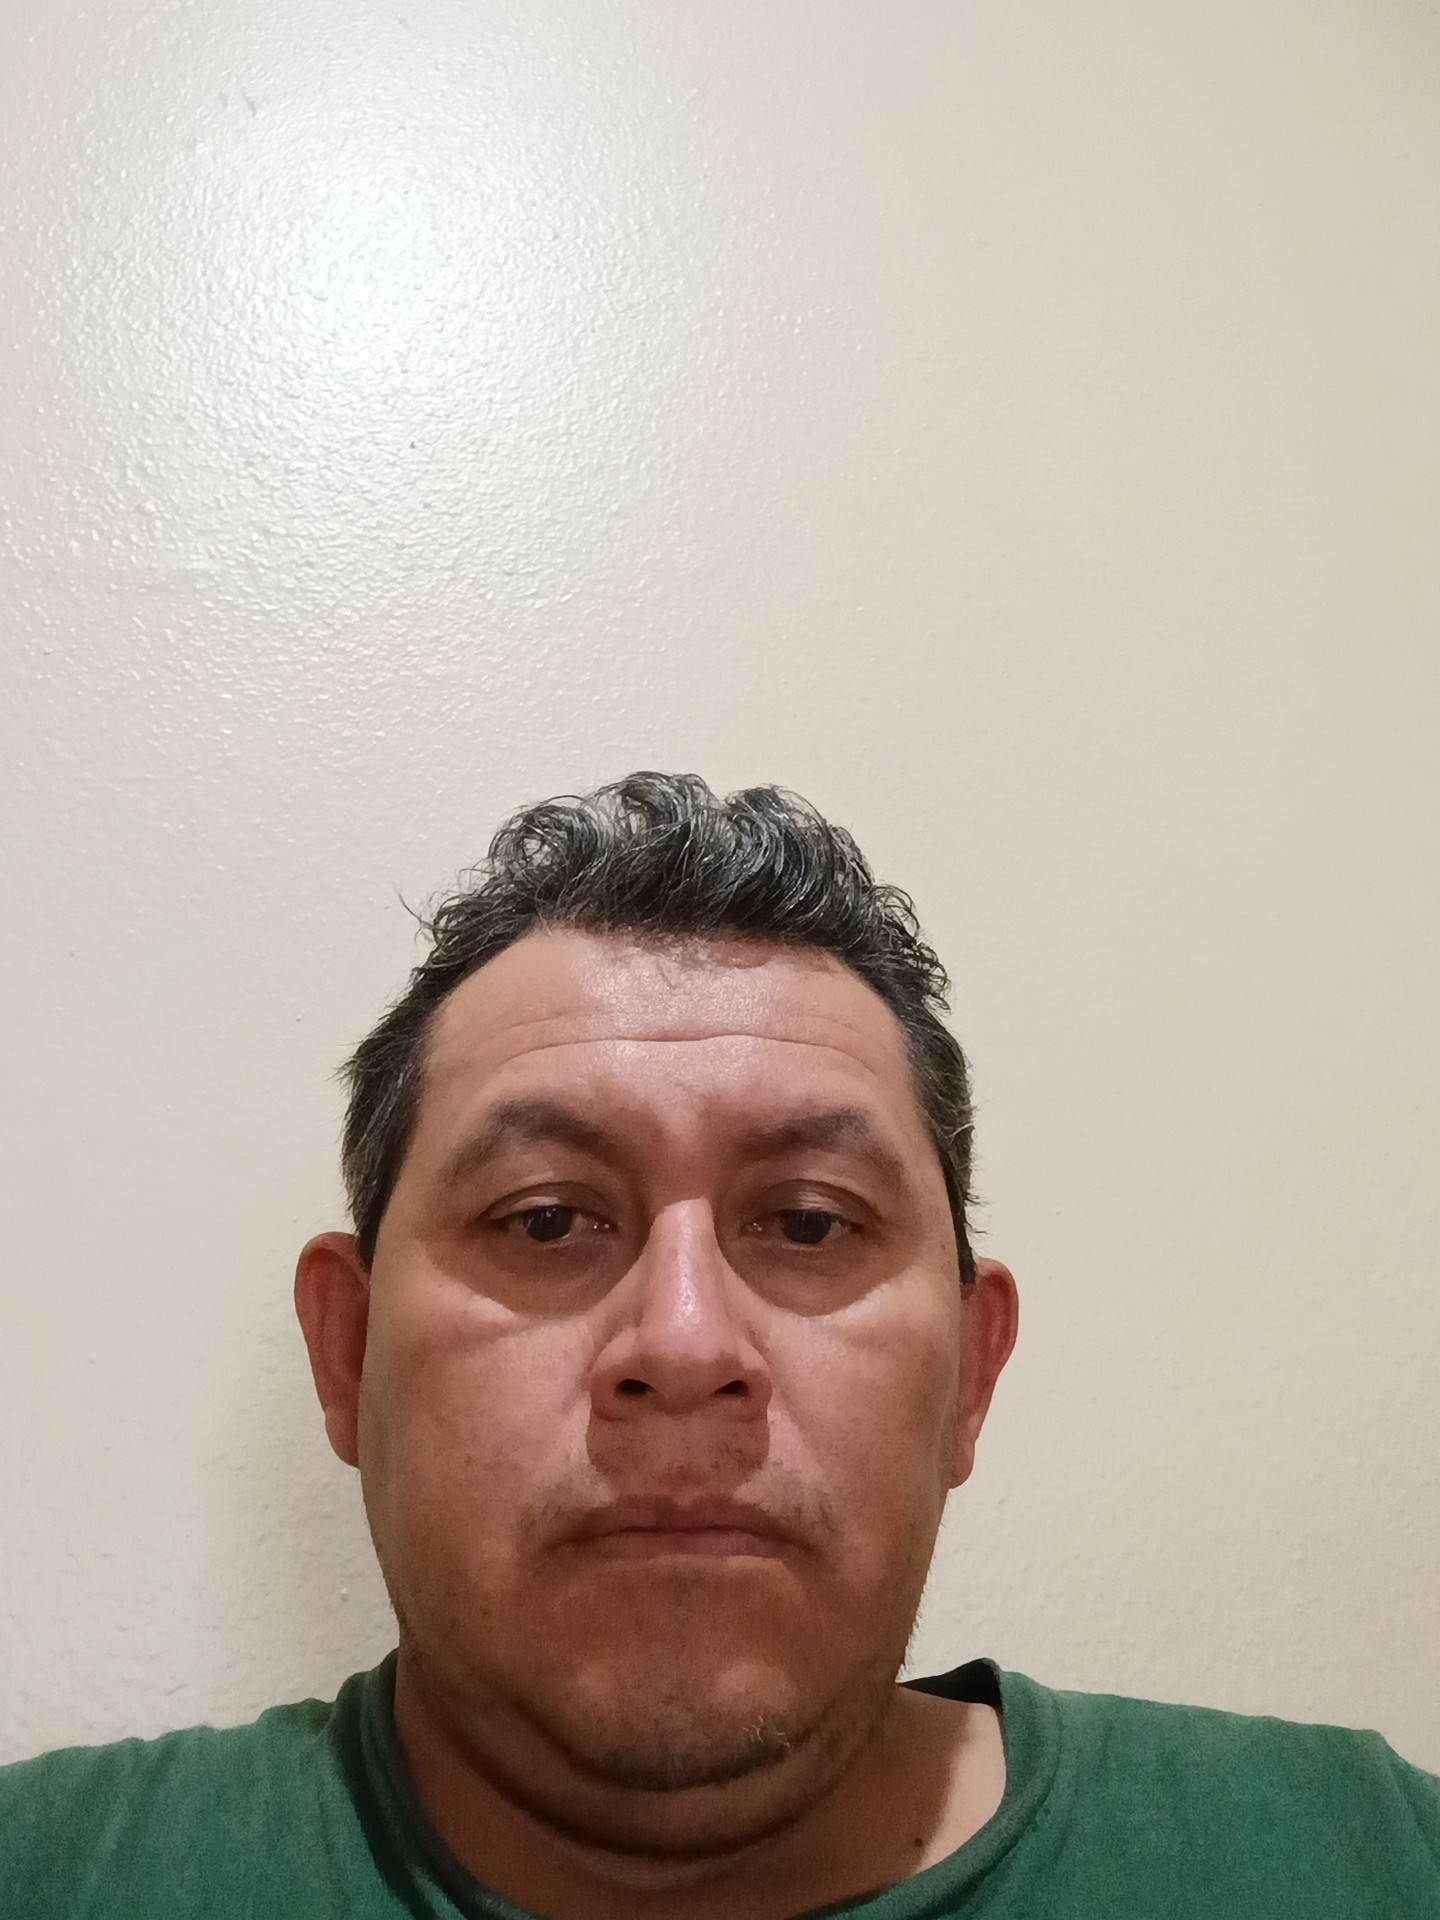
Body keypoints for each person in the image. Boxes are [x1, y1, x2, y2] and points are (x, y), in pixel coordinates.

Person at [2, 773, 1436, 1919]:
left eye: (810, 1223)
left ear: (971, 1374)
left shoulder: (1370, 1859)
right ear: (348, 1353)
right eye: (547, 1218)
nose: (684, 1344)